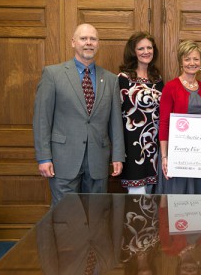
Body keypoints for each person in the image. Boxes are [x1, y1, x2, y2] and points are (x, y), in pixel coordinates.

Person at [33, 23, 125, 206]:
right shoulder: (53, 74)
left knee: (97, 215)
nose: (88, 43)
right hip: (63, 160)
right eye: (84, 38)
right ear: (73, 42)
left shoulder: (111, 79)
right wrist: (44, 157)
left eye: (93, 39)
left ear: (98, 44)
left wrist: (118, 156)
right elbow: (42, 119)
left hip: (98, 160)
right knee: (65, 216)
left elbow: (115, 121)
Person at [158, 40, 201, 194]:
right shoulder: (171, 87)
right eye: (187, 59)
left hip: (200, 153)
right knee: (177, 199)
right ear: (181, 62)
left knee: (197, 202)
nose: (191, 63)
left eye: (195, 59)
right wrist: (165, 156)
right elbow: (164, 123)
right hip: (176, 153)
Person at [118, 32, 164, 194]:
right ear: (133, 52)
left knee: (154, 198)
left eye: (149, 47)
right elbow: (115, 118)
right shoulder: (123, 79)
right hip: (132, 147)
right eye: (141, 48)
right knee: (136, 199)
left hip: (155, 147)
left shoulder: (157, 80)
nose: (146, 51)